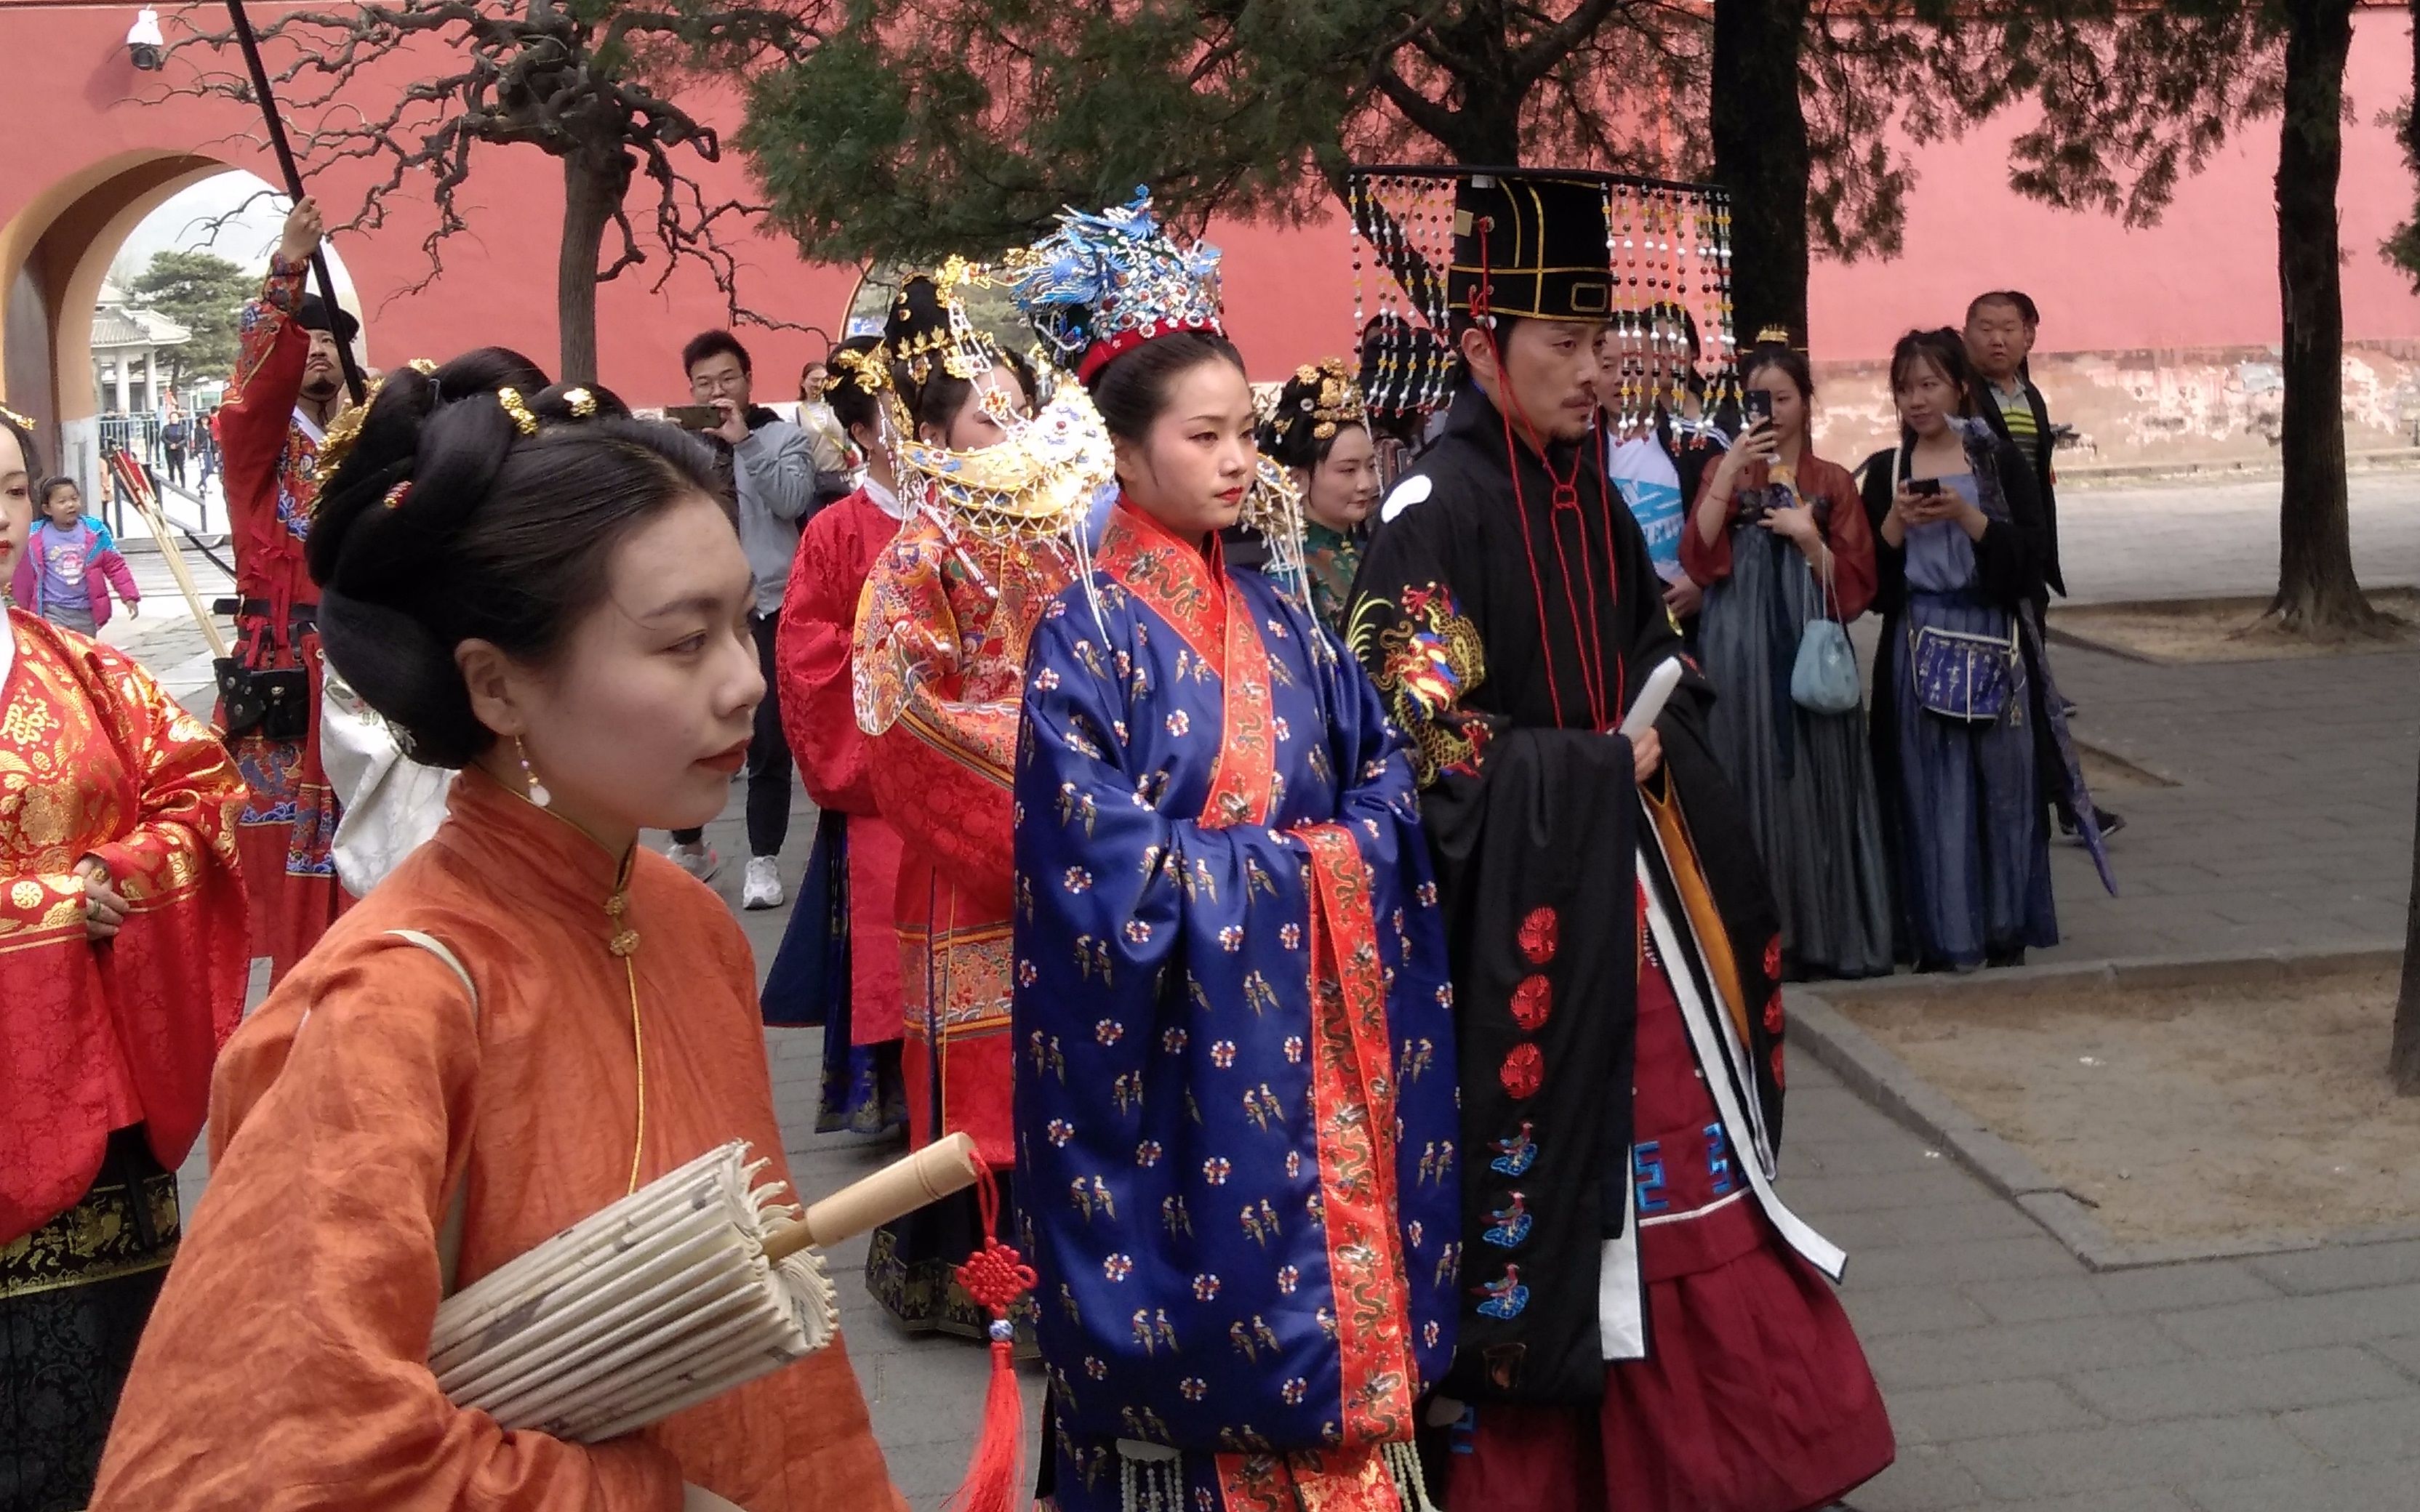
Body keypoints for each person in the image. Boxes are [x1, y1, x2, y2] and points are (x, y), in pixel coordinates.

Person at [89, 353, 905, 1511]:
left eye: (740, 625)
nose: (746, 684)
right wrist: (639, 1496)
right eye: (683, 642)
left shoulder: (688, 922)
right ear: (497, 686)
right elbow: (268, 1459)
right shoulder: (391, 1007)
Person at [1345, 172, 1893, 1512]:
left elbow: (1649, 646)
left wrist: (1658, 705)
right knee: (1564, 1188)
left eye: (1603, 343)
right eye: (1565, 344)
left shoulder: (1584, 491)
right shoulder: (1433, 510)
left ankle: (1729, 1463)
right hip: (1526, 915)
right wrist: (1591, 767)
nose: (1597, 374)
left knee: (1688, 1156)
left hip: (1638, 886)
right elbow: (1412, 740)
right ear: (1481, 346)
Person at [1005, 191, 1459, 1512]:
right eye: (1201, 437)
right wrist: (1305, 871)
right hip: (1175, 1070)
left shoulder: (1286, 613)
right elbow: (1095, 876)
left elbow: (1385, 780)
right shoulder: (1081, 637)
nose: (1234, 461)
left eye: (1244, 433)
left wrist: (1330, 857)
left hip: (1321, 1045)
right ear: (1123, 450)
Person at [0, 403, 248, 1512]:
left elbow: (201, 795)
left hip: (98, 1118)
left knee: (106, 1422)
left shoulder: (88, 672)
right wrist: (56, 905)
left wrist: (129, 872)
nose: (0, 517)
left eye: (12, 490)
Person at [851, 270, 1070, 1341]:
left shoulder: (1059, 537)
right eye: (989, 415)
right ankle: (984, 1280)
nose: (1011, 432)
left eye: (1020, 409)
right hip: (975, 843)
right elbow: (901, 712)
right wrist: (1050, 781)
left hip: (1073, 826)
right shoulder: (916, 557)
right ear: (932, 434)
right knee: (982, 1066)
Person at [1857, 329, 2112, 973]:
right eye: (1905, 388)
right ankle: (1939, 934)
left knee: (2002, 792)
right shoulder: (1888, 470)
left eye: (1930, 385)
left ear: (1960, 388)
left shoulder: (1999, 465)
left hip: (1994, 643)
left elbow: (2031, 562)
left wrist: (1969, 520)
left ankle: (2003, 928)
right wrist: (1896, 522)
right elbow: (1871, 586)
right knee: (1929, 795)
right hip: (1916, 645)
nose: (1917, 400)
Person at [1683, 342, 1894, 981]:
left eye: (1783, 397)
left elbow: (1855, 589)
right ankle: (1749, 940)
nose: (1772, 410)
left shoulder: (1832, 481)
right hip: (1737, 641)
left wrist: (1809, 540)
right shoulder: (1723, 467)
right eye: (1760, 398)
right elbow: (1698, 555)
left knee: (1816, 774)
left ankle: (1821, 934)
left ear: (1806, 402)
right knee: (1742, 768)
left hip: (1810, 638)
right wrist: (1729, 470)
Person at [761, 337, 908, 1138]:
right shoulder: (835, 531)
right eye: (898, 417)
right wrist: (899, 660)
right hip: (883, 764)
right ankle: (891, 1091)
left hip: (968, 762)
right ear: (861, 432)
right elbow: (807, 654)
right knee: (885, 929)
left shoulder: (969, 520)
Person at [215, 194, 358, 983]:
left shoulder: (362, 443)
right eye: (306, 342)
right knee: (291, 860)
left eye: (332, 340)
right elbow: (252, 396)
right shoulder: (257, 453)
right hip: (285, 669)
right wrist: (288, 267)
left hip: (361, 662)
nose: (320, 353)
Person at [664, 330, 813, 910]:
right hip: (697, 609)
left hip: (768, 605)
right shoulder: (680, 448)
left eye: (727, 379)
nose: (717, 391)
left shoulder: (782, 437)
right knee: (687, 727)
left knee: (768, 738)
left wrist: (744, 442)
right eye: (704, 383)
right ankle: (690, 844)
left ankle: (763, 858)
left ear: (748, 381)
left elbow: (792, 501)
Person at [1259, 356, 1381, 633]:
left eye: (1371, 467)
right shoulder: (1291, 575)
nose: (1366, 483)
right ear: (1298, 480)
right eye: (1348, 470)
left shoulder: (1372, 552)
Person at [12, 478, 140, 633]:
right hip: (52, 610)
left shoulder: (95, 532)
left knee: (82, 648)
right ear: (47, 509)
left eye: (74, 499)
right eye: (62, 502)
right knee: (59, 647)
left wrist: (129, 596)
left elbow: (115, 566)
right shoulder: (34, 536)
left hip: (86, 611)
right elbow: (21, 574)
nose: (70, 505)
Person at [161, 404, 190, 489]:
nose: (173, 419)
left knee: (181, 468)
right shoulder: (166, 428)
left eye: (175, 417)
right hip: (169, 450)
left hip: (179, 450)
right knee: (171, 468)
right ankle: (172, 485)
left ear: (178, 418)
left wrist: (178, 445)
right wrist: (170, 444)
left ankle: (183, 485)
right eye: (172, 417)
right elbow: (163, 437)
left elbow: (185, 438)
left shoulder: (182, 427)